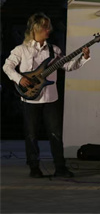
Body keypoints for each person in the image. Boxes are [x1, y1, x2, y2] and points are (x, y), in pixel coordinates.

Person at [2, 12, 91, 178]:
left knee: (55, 133)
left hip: (50, 97)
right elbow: (7, 67)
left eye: (48, 26)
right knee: (31, 134)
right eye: (44, 27)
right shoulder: (21, 50)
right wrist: (19, 79)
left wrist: (83, 57)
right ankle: (34, 167)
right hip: (29, 99)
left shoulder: (54, 50)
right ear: (35, 29)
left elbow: (68, 66)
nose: (48, 30)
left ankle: (60, 167)